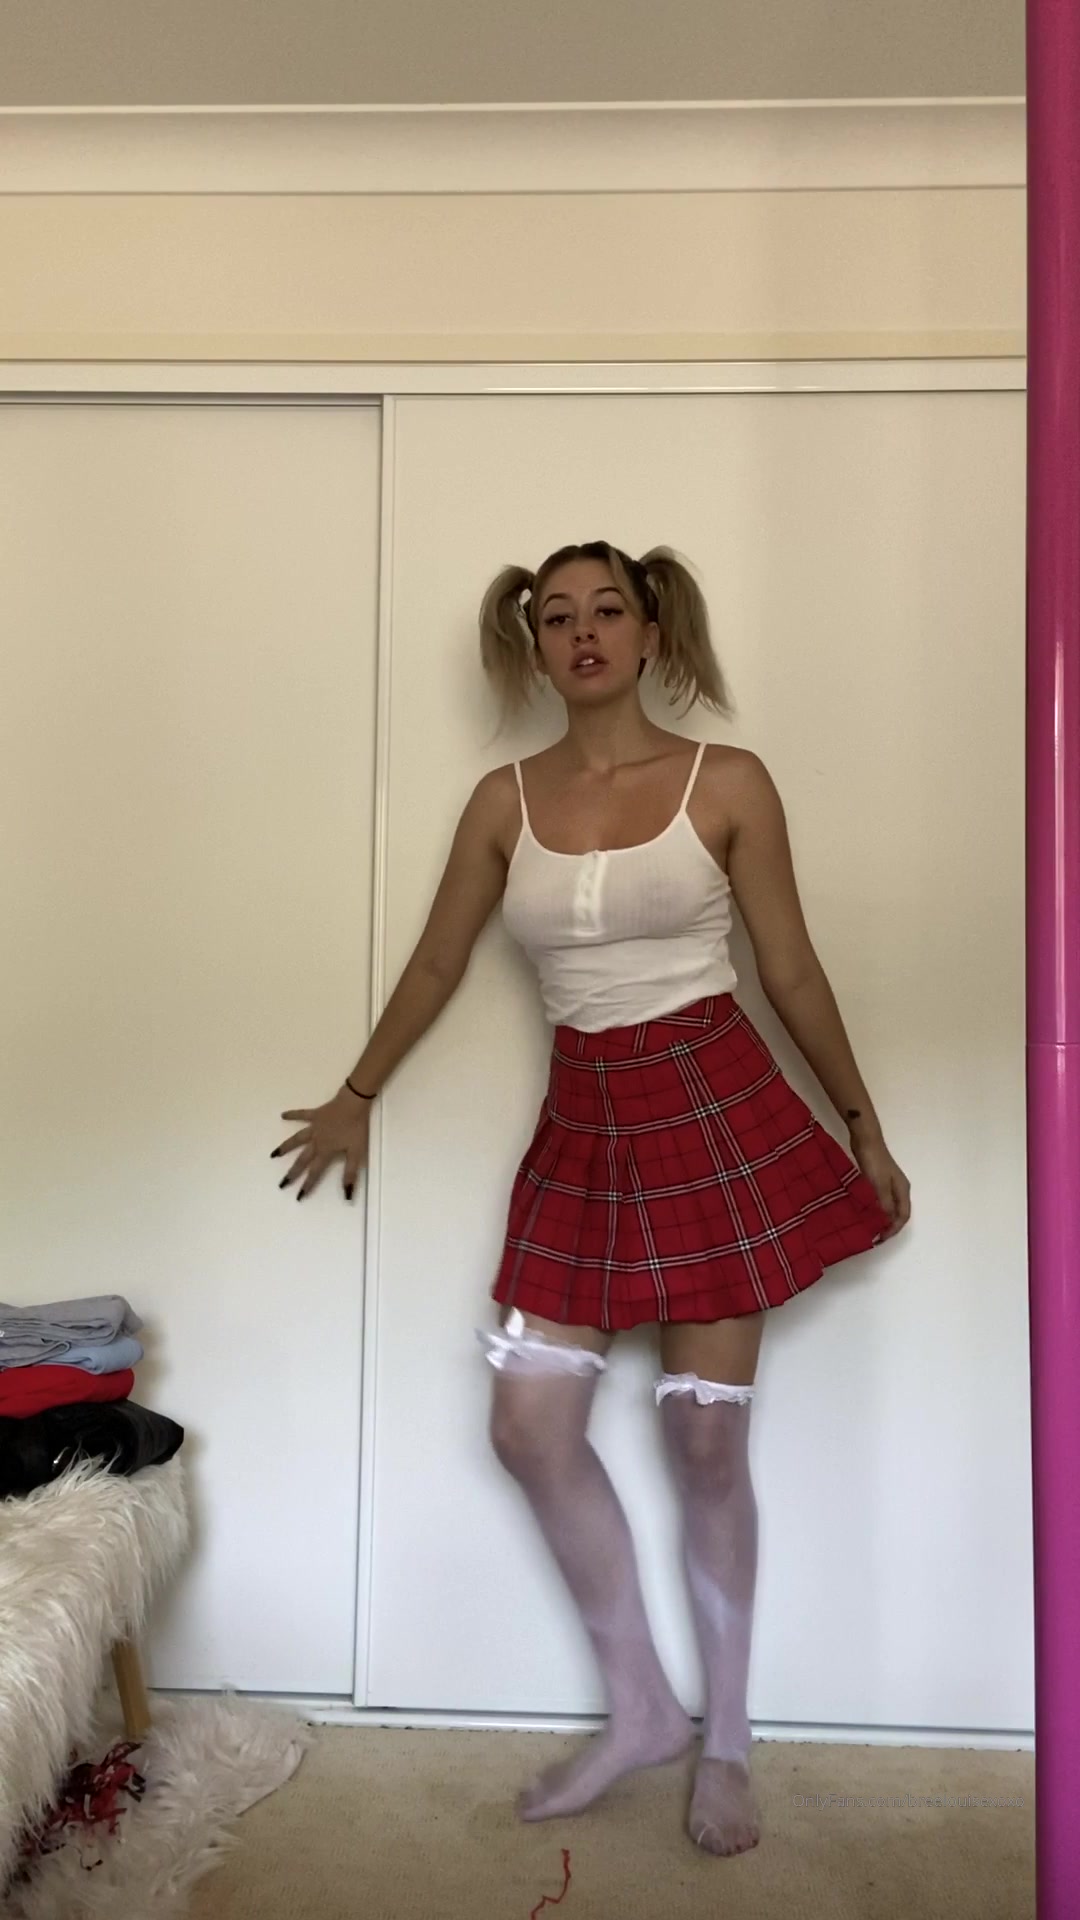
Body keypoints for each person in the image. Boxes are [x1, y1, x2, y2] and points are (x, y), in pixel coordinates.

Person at [271, 539, 911, 1858]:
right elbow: (439, 959)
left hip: (717, 1111)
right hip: (583, 1122)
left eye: (608, 610)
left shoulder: (728, 781)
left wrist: (861, 1122)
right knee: (528, 1424)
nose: (584, 633)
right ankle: (643, 1710)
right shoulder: (502, 801)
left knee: (705, 1446)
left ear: (650, 631)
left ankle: (725, 1741)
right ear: (536, 644)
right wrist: (356, 1094)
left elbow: (790, 967)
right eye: (559, 616)